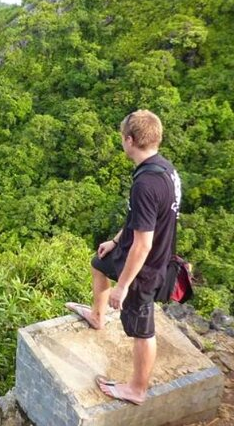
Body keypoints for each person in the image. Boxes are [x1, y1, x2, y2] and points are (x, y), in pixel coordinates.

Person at [65, 109, 181, 405]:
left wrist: (123, 286)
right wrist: (115, 241)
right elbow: (141, 220)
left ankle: (137, 389)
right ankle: (97, 316)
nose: (121, 141)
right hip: (131, 250)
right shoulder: (162, 168)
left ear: (129, 140)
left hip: (145, 266)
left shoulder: (146, 183)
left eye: (122, 137)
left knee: (142, 329)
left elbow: (143, 244)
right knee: (98, 264)